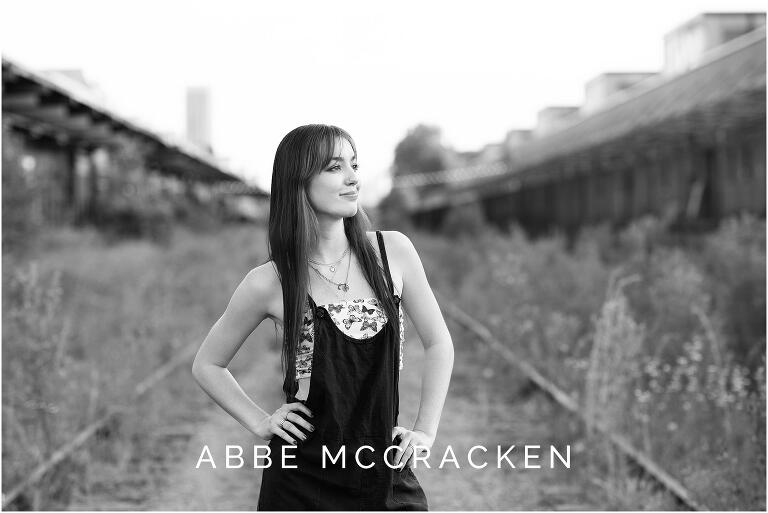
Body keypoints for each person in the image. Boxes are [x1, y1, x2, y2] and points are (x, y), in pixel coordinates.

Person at [191, 124, 454, 510]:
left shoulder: (392, 252)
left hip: (383, 473)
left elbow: (439, 342)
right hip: (300, 482)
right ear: (299, 181)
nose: (353, 178)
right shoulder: (270, 281)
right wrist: (261, 421)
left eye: (354, 165)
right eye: (334, 167)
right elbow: (208, 364)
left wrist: (425, 431)